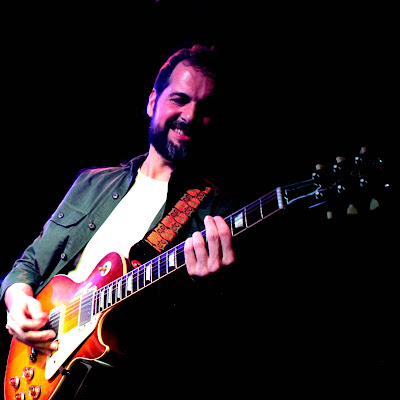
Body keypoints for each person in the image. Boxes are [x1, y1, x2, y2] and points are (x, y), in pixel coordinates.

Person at [1, 45, 237, 398]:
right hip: (37, 366)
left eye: (205, 109)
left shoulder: (218, 212)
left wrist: (212, 289)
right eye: (179, 99)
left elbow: (210, 346)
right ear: (152, 101)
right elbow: (31, 262)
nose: (189, 115)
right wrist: (17, 298)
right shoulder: (91, 182)